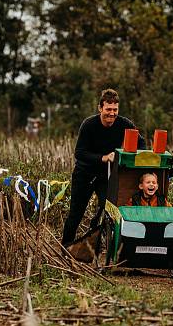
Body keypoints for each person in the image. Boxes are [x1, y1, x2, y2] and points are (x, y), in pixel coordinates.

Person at [62, 88, 145, 245]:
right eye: (108, 109)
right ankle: (65, 247)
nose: (111, 113)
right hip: (84, 174)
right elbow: (79, 153)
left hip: (106, 177)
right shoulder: (88, 125)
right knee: (76, 214)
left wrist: (131, 156)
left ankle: (102, 243)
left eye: (115, 110)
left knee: (108, 211)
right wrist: (104, 158)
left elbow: (141, 143)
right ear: (100, 108)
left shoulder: (125, 124)